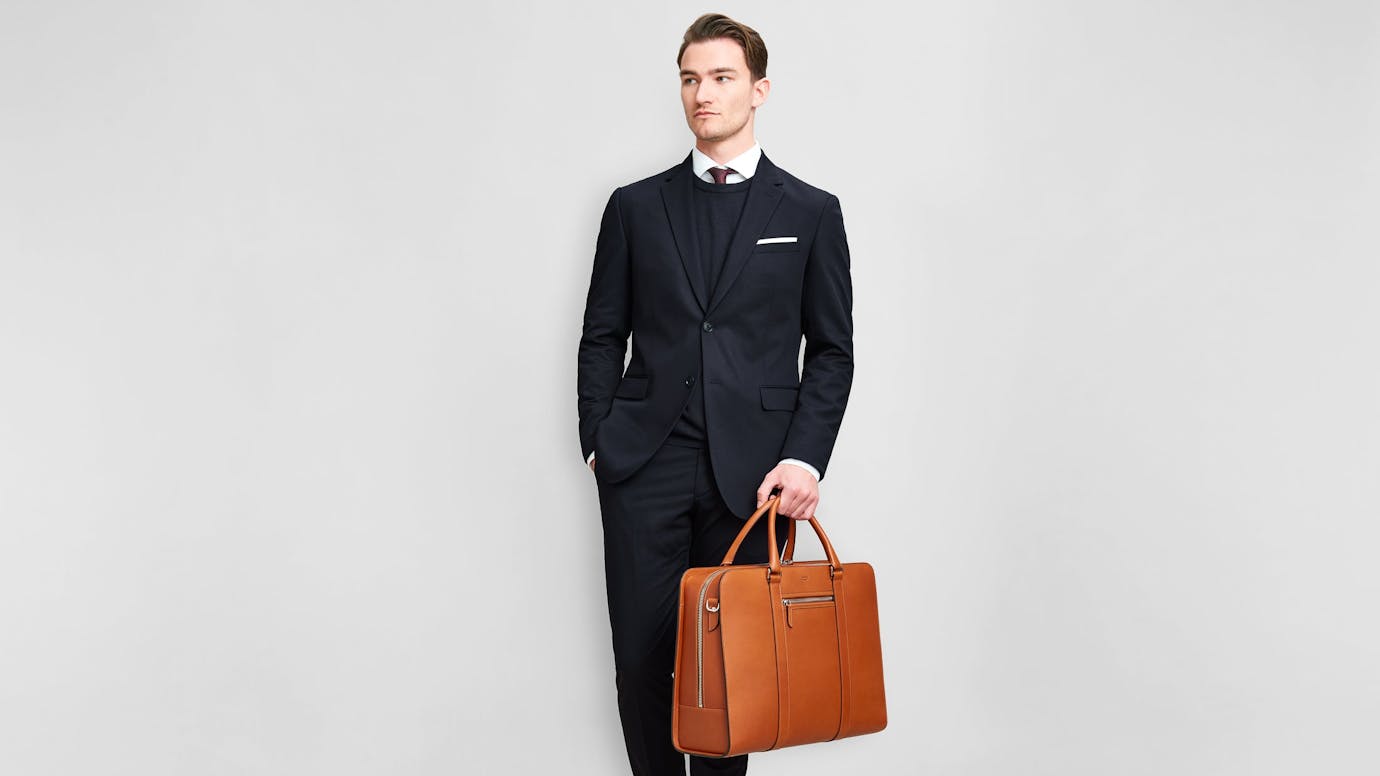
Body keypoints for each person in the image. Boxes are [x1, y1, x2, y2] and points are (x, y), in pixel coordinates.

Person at [576, 12, 854, 776]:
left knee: (734, 670)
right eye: (690, 79)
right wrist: (598, 439)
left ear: (759, 89)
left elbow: (832, 350)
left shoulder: (810, 212)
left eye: (722, 77)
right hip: (643, 464)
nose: (703, 93)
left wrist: (804, 460)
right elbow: (602, 334)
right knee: (642, 664)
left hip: (756, 478)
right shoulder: (634, 207)